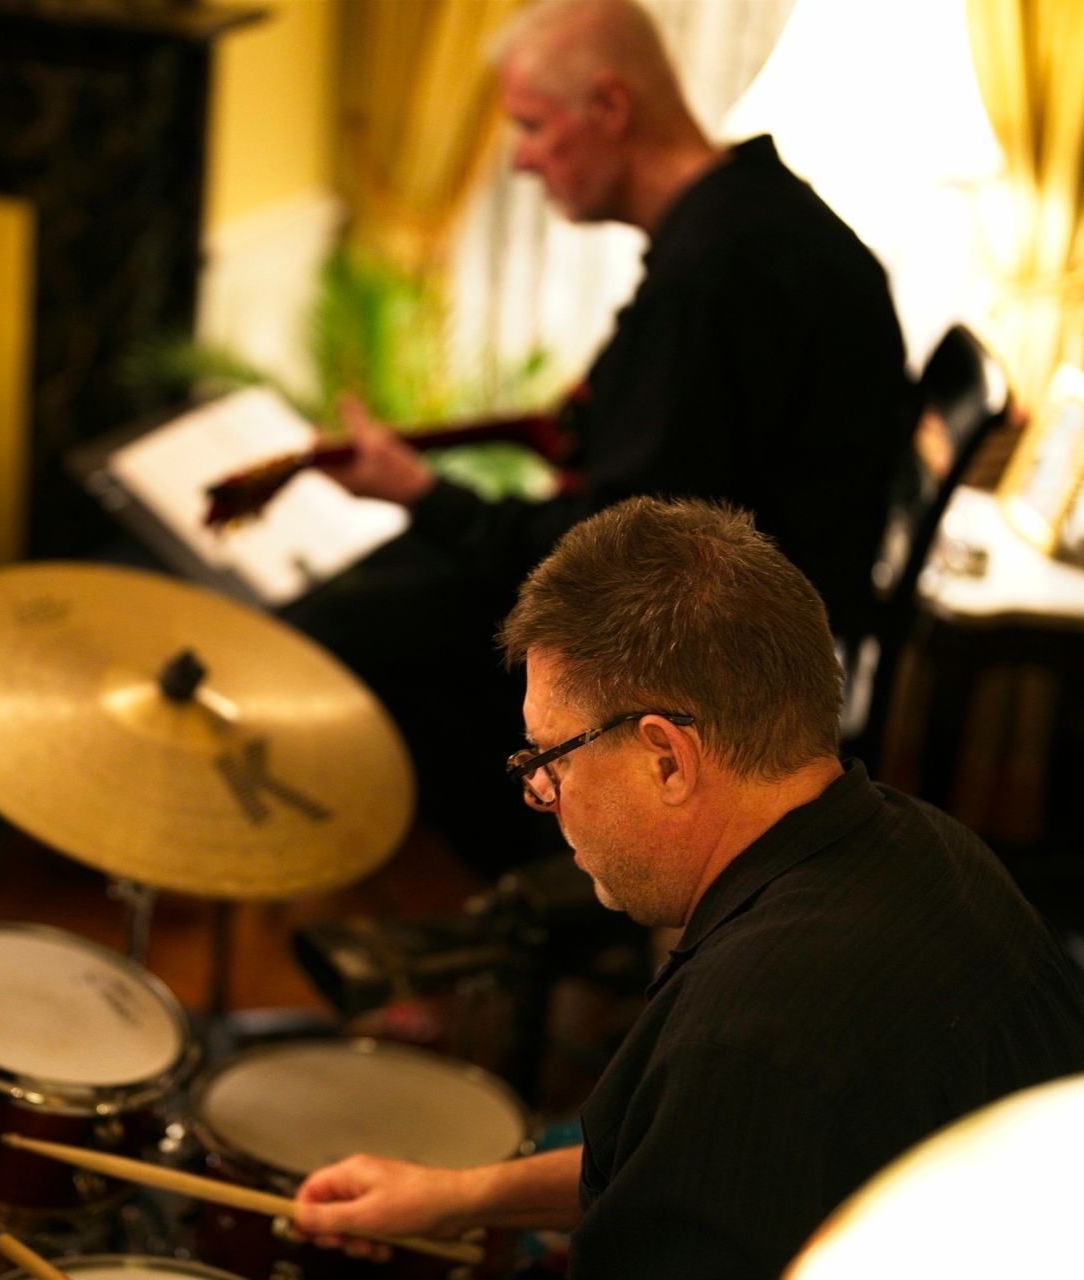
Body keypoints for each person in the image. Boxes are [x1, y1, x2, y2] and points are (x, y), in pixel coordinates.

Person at [291, 497, 1084, 1279]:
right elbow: (670, 1162)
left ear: (666, 759)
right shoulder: (933, 849)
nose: (543, 793)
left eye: (550, 758)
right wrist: (455, 1197)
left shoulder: (746, 1042)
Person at [286, 0, 916, 866]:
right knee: (381, 584)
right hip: (743, 593)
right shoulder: (751, 216)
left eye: (534, 127)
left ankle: (529, 913)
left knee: (345, 638)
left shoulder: (710, 279)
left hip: (722, 650)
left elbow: (613, 558)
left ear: (609, 109)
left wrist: (423, 495)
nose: (520, 159)